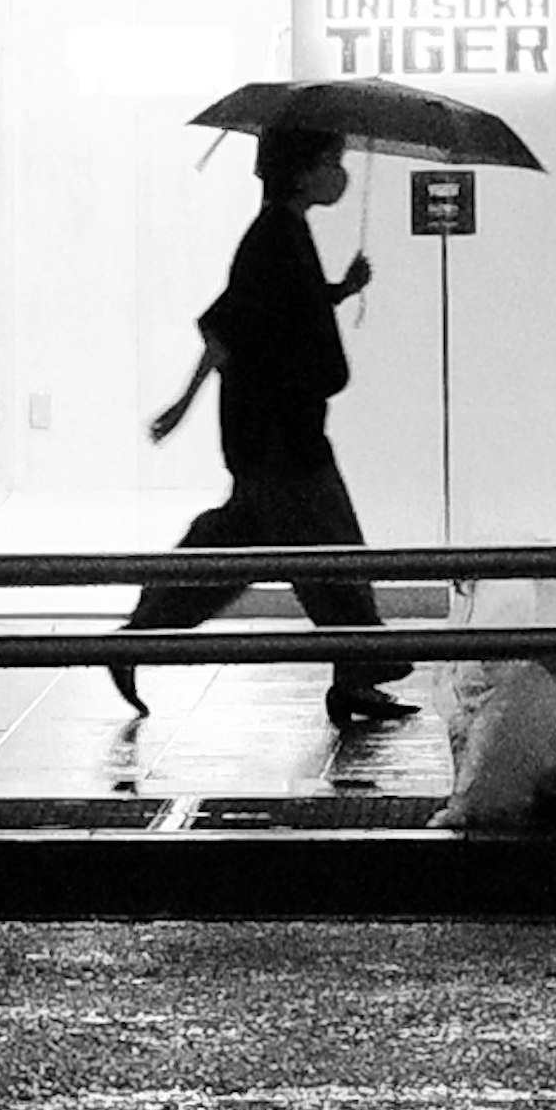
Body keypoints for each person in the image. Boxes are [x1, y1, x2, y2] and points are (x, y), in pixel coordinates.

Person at [111, 122, 417, 727]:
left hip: (275, 432)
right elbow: (229, 330)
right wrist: (181, 404)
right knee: (328, 548)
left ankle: (139, 637)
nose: (343, 173)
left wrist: (337, 291)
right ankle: (360, 660)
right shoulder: (274, 237)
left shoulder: (283, 235)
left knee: (242, 545)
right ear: (303, 170)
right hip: (280, 436)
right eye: (333, 160)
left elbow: (276, 316)